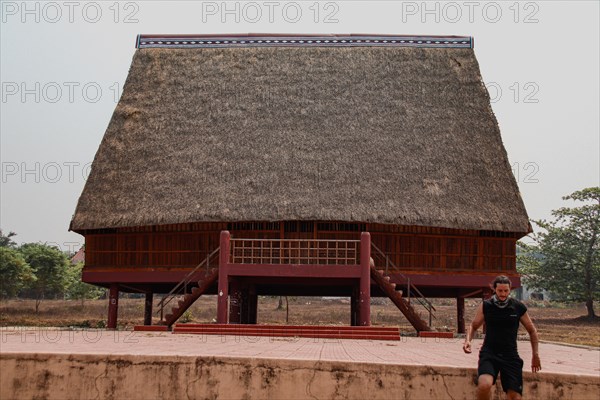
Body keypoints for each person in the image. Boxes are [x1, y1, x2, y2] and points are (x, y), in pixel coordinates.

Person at [463, 275, 542, 400]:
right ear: (494, 289)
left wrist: (535, 355)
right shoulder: (486, 306)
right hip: (489, 354)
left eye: (506, 291)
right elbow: (473, 325)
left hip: (510, 356)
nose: (503, 293)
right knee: (484, 385)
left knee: (514, 396)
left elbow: (532, 330)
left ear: (510, 290)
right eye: (500, 290)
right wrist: (468, 341)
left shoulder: (517, 307)